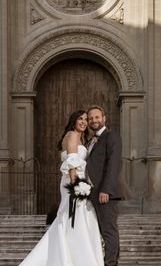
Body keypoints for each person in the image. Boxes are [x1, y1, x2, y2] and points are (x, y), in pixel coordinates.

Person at [20, 110, 103, 266]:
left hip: (78, 182)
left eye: (86, 119)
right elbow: (72, 162)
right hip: (73, 183)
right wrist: (76, 187)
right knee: (74, 218)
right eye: (80, 119)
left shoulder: (79, 137)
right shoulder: (72, 135)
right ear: (74, 121)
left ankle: (74, 257)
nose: (84, 122)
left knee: (76, 219)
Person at [86, 105, 122, 266]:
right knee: (100, 231)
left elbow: (113, 164)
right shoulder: (90, 141)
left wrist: (106, 189)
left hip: (105, 192)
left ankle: (111, 263)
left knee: (108, 231)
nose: (94, 120)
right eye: (91, 118)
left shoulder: (111, 136)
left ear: (104, 118)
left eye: (97, 117)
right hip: (92, 193)